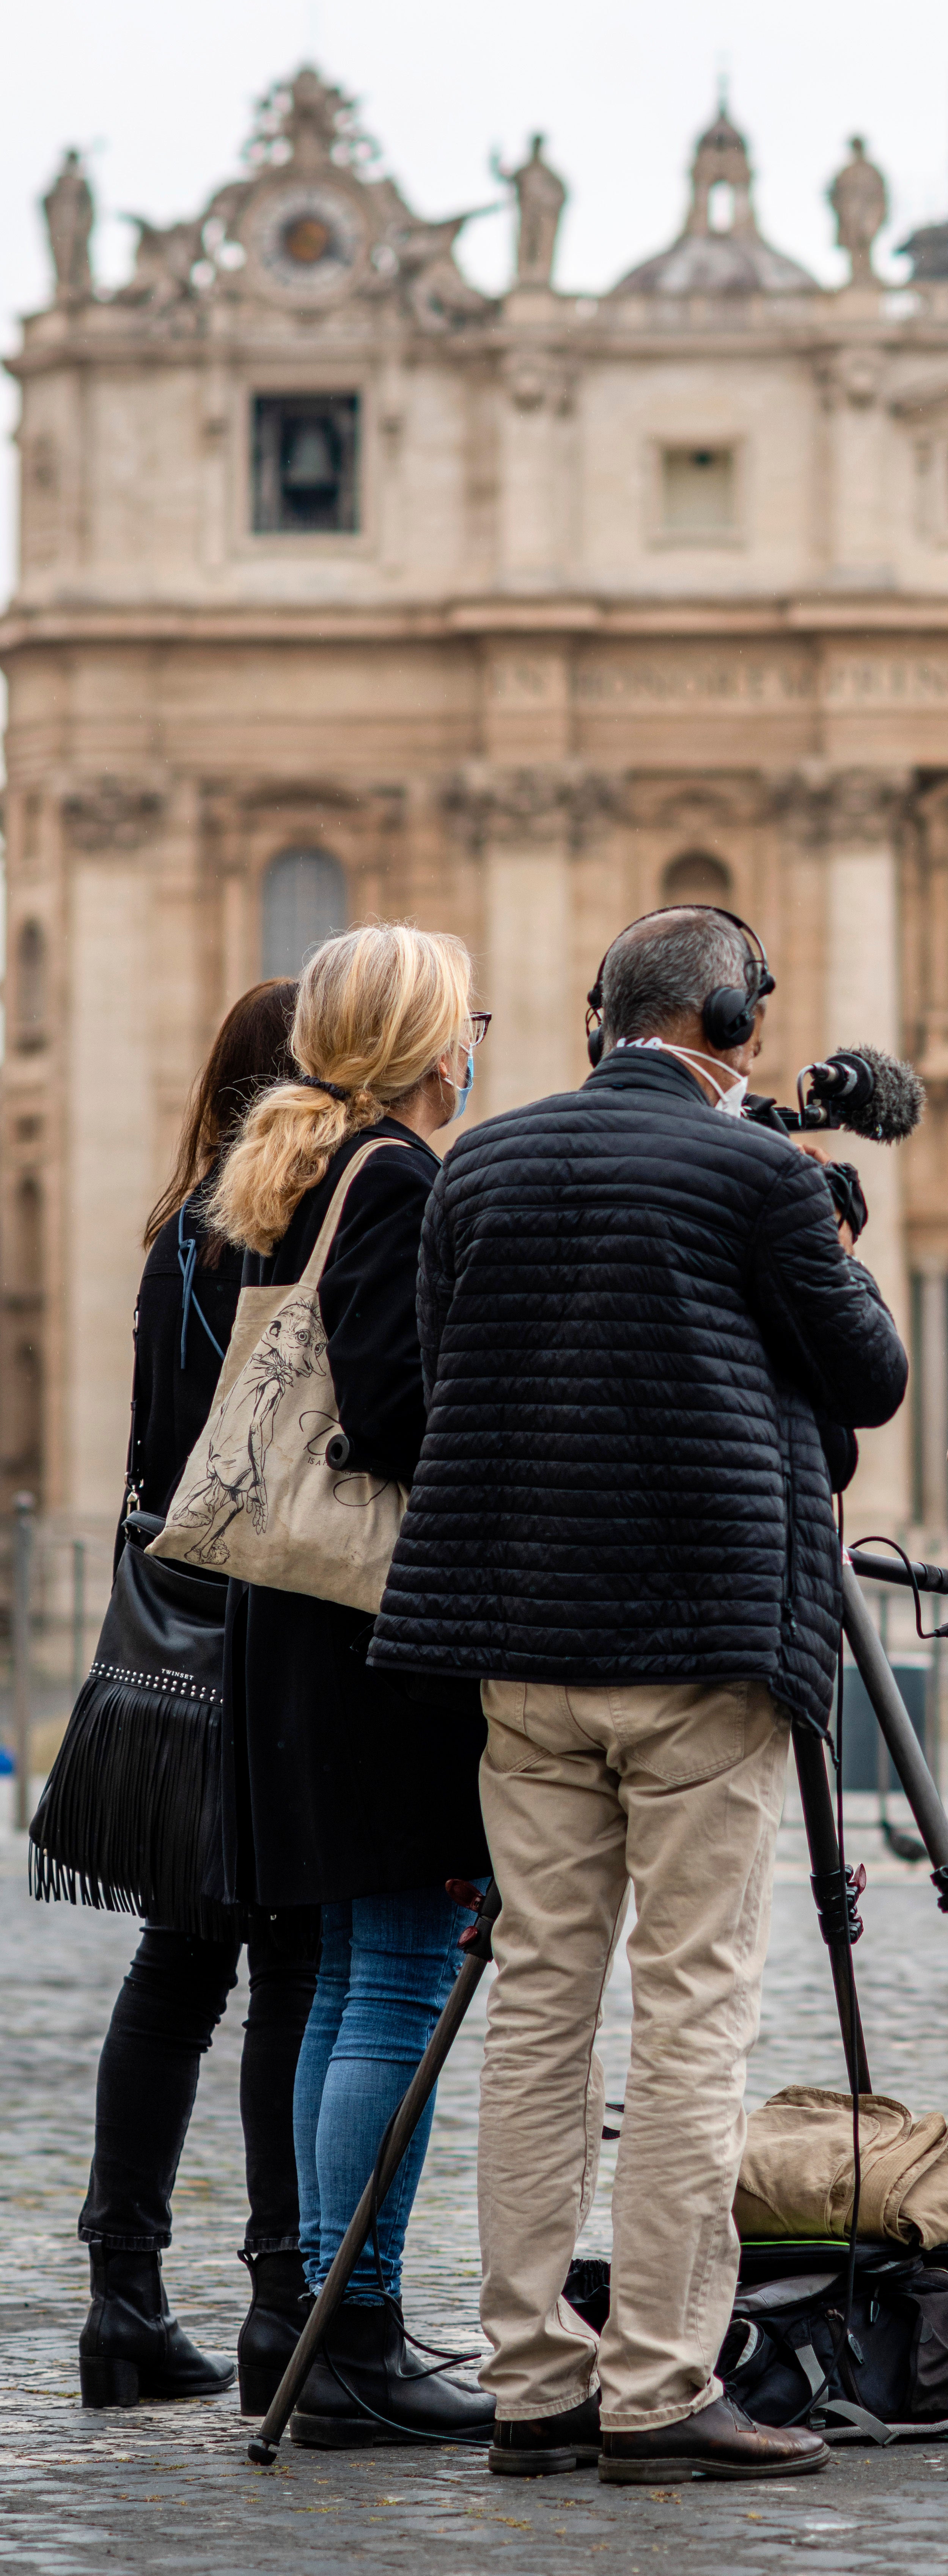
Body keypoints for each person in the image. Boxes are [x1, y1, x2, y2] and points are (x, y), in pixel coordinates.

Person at [371, 905, 910, 2487]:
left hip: (516, 1641)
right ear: (737, 1016)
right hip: (700, 1641)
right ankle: (663, 2380)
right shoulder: (764, 1175)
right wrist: (829, 1240)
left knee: (539, 2002)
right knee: (691, 2008)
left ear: (598, 1013)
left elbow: (439, 1370)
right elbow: (865, 1377)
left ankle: (532, 2373)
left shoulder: (477, 1164)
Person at [206, 922, 494, 2449]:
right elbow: (390, 1411)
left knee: (339, 1978)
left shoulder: (297, 1169)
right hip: (381, 1627)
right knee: (398, 1967)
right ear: (435, 1042)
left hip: (295, 1624)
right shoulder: (399, 1175)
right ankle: (360, 2321)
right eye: (474, 1021)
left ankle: (325, 2315)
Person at [75, 977, 313, 2415]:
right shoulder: (302, 1228)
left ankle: (123, 2299)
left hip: (174, 1641)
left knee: (174, 1970)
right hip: (274, 1639)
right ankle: (283, 2297)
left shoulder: (178, 1231)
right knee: (291, 1964)